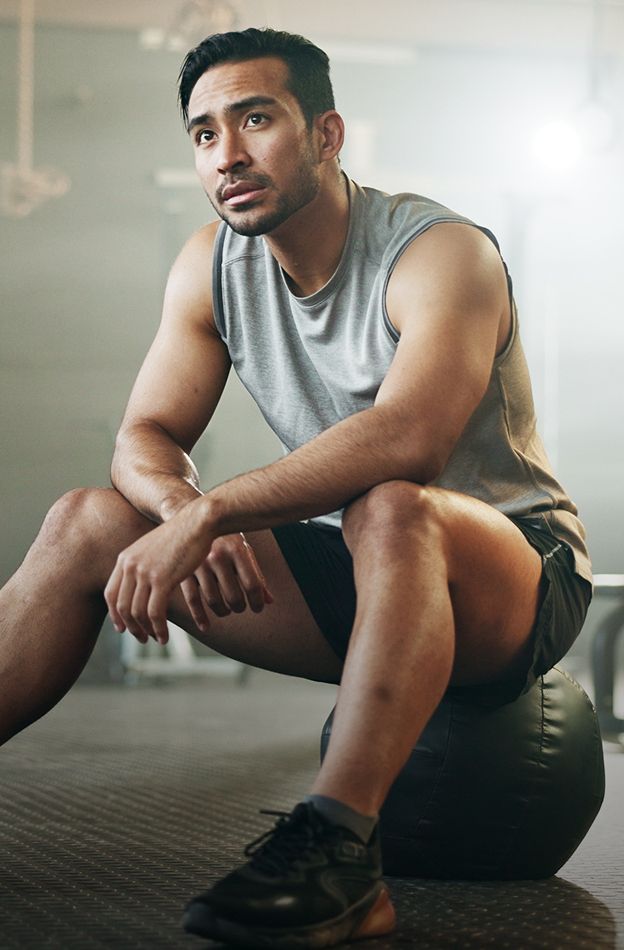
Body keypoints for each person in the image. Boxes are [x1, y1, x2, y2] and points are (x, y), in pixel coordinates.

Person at [0, 26, 592, 949]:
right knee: (86, 521)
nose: (227, 154)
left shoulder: (440, 253)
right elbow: (144, 436)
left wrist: (217, 512)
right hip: (361, 571)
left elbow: (410, 440)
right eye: (203, 134)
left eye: (256, 119)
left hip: (516, 579)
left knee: (392, 506)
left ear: (326, 135)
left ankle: (341, 854)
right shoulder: (210, 265)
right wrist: (176, 512)